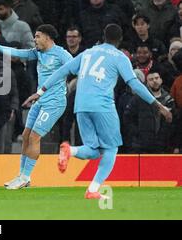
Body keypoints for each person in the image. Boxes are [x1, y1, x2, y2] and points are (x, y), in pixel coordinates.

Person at [31, 24, 172, 199]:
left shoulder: (88, 52)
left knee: (94, 149)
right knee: (111, 149)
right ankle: (92, 189)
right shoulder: (120, 57)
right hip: (102, 105)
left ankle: (70, 151)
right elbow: (134, 83)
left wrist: (41, 91)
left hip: (80, 105)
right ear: (119, 40)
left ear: (104, 37)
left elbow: (63, 70)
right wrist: (158, 105)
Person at [0, 24, 72, 188]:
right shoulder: (38, 53)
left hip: (54, 102)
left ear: (47, 37)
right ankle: (22, 177)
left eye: (37, 36)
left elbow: (74, 66)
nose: (35, 40)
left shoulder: (61, 54)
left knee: (35, 137)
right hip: (40, 101)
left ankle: (25, 176)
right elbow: (18, 53)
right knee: (26, 135)